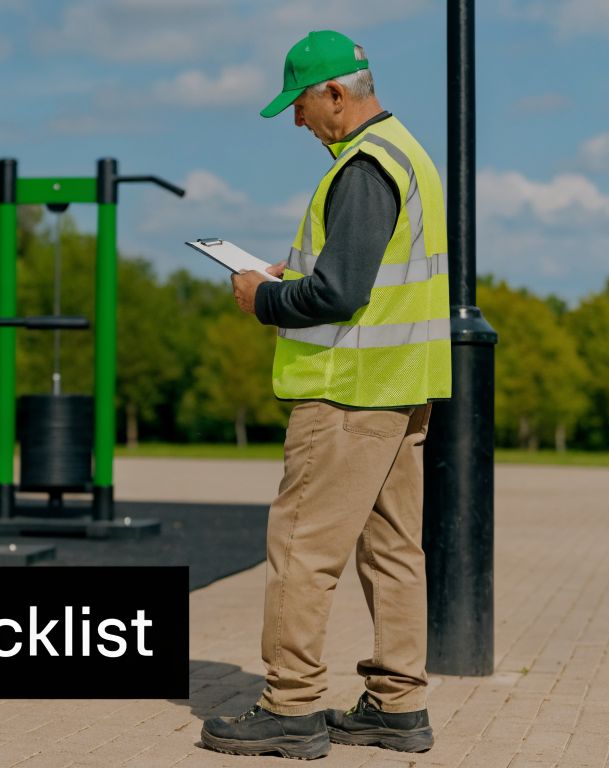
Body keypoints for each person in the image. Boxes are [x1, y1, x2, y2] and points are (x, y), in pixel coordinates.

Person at [198, 30, 450, 760]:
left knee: (301, 549)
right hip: (400, 389)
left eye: (301, 106)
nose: (298, 122)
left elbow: (339, 293)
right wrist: (294, 276)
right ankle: (398, 707)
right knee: (395, 551)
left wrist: (262, 297)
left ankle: (291, 707)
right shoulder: (406, 153)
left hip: (347, 395)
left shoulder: (363, 167)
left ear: (336, 93)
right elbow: (364, 275)